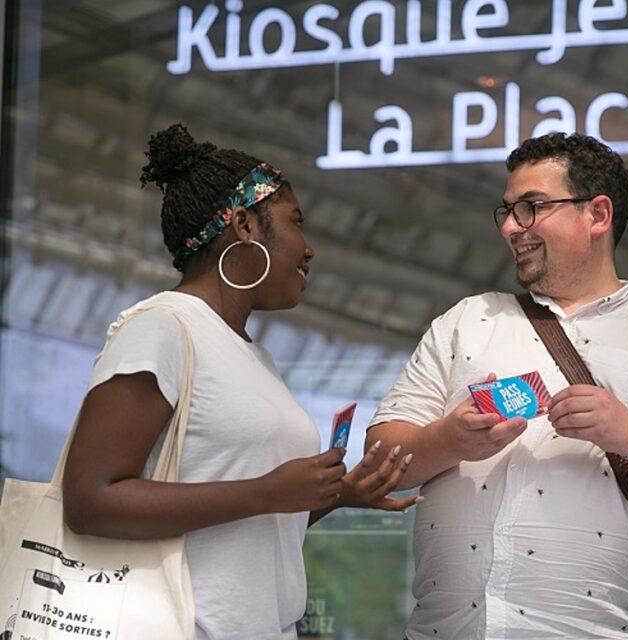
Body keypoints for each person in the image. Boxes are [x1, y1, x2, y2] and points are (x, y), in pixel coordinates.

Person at [368, 132, 628, 638]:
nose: (510, 228)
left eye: (531, 207)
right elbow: (379, 460)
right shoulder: (467, 320)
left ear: (598, 215)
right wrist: (449, 440)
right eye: (505, 211)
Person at [62, 123, 419, 640]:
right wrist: (267, 491)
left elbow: (249, 527)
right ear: (245, 224)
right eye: (295, 222)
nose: (310, 248)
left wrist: (333, 495)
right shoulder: (162, 327)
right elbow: (90, 501)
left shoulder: (253, 357)